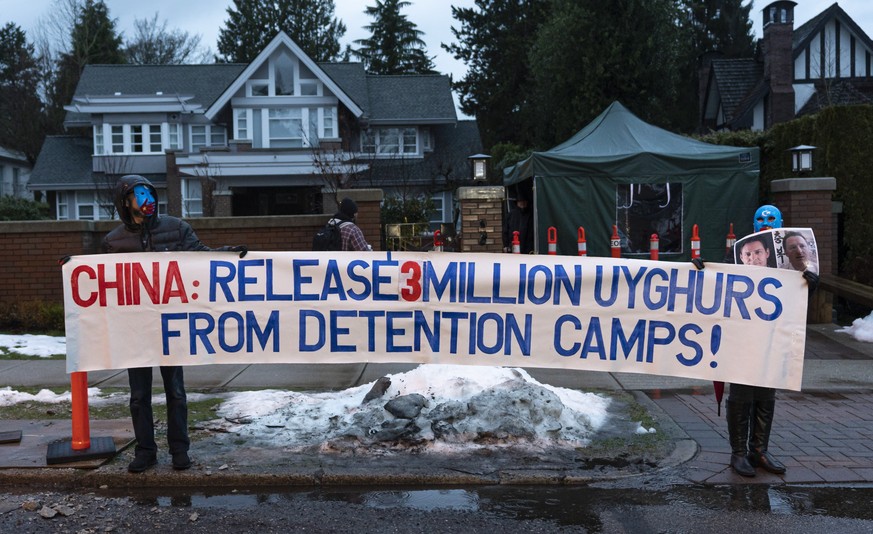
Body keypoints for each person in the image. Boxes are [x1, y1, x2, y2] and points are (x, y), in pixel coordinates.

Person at [102, 174, 246, 473]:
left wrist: (229, 255)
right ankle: (145, 452)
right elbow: (102, 280)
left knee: (176, 392)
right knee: (139, 395)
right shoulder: (114, 241)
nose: (147, 200)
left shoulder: (176, 228)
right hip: (136, 328)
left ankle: (179, 450)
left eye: (150, 193)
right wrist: (72, 267)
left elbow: (202, 258)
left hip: (171, 326)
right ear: (125, 203)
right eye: (139, 195)